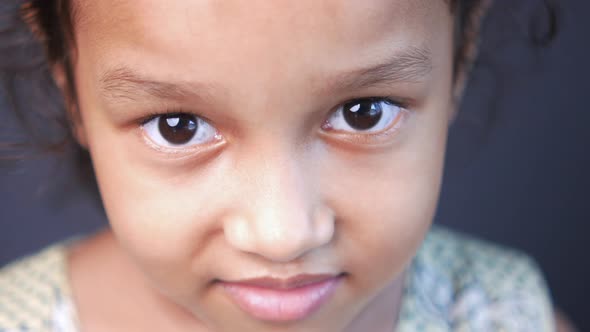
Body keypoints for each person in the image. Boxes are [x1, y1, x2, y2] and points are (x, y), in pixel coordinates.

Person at [0, 0, 570, 331]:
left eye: (363, 114)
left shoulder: (508, 314)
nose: (283, 235)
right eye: (179, 126)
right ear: (71, 90)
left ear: (458, 60)